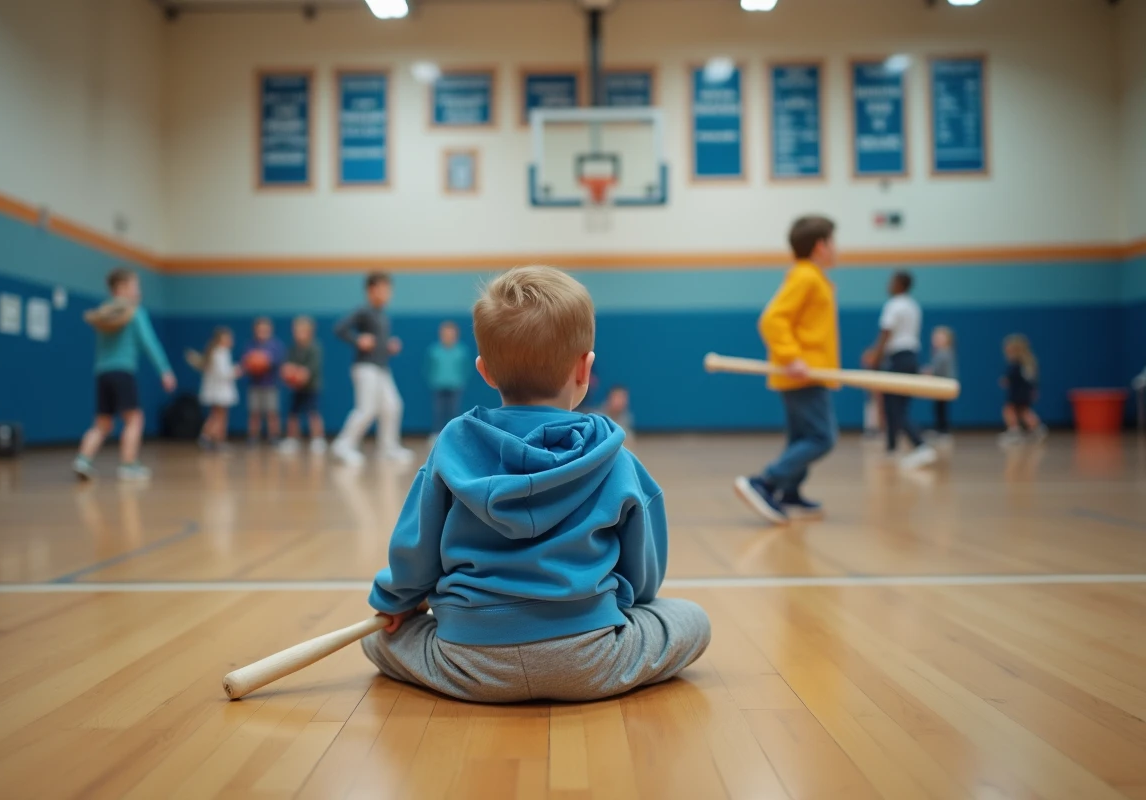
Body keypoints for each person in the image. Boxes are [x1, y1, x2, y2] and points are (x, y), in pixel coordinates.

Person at [360, 265, 711, 703]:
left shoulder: (451, 447)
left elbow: (415, 549)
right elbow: (643, 579)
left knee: (377, 639)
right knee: (693, 619)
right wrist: (625, 602)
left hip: (469, 658)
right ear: (585, 370)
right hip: (591, 657)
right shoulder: (617, 458)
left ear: (485, 371)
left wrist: (397, 598)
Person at [734, 216, 840, 524]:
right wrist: (792, 357)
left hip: (807, 374)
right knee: (822, 437)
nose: (836, 249)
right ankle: (765, 482)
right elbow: (773, 319)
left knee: (801, 438)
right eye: (833, 242)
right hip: (804, 374)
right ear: (821, 246)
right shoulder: (806, 277)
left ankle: (789, 491)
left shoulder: (812, 277)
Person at [73, 268, 175, 481]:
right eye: (135, 286)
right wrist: (164, 370)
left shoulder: (105, 311)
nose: (138, 291)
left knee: (102, 424)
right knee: (134, 419)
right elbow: (149, 343)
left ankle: (83, 459)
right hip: (123, 371)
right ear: (122, 288)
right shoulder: (134, 312)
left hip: (102, 373)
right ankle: (128, 464)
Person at [332, 273, 414, 466]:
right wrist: (357, 339)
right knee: (366, 409)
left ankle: (388, 447)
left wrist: (388, 345)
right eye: (382, 289)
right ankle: (343, 445)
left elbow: (377, 342)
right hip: (365, 367)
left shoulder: (382, 315)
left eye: (388, 289)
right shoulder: (364, 311)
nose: (386, 293)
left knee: (393, 406)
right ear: (371, 290)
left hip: (381, 367)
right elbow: (340, 328)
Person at [864, 271, 937, 469]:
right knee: (894, 405)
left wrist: (875, 358)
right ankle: (891, 448)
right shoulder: (913, 306)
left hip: (899, 359)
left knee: (895, 408)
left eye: (891, 281)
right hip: (911, 358)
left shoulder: (894, 305)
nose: (888, 285)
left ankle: (920, 446)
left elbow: (886, 333)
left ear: (899, 284)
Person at [278, 316, 327, 454]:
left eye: (301, 331)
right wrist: (288, 372)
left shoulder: (315, 348)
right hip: (297, 388)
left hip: (312, 387)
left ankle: (318, 439)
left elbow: (308, 371)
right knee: (293, 413)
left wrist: (299, 373)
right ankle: (292, 439)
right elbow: (285, 367)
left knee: (314, 413)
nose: (297, 334)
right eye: (295, 330)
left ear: (309, 332)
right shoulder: (293, 348)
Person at [999, 334, 1047, 444]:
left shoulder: (1015, 364)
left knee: (1008, 410)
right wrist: (1033, 391)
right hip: (1025, 393)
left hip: (1016, 393)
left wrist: (1005, 380)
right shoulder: (1028, 363)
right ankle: (1038, 429)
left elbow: (1010, 378)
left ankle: (1014, 431)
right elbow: (1033, 381)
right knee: (1024, 411)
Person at [424, 321, 469, 438]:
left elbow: (466, 368)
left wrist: (461, 381)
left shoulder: (461, 351)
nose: (448, 336)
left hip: (455, 386)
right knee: (438, 412)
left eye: (451, 333)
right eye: (445, 333)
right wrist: (433, 380)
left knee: (454, 411)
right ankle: (436, 435)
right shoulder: (434, 350)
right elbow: (428, 367)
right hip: (438, 386)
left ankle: (455, 435)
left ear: (456, 335)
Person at [244, 317, 285, 445]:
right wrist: (253, 362)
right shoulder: (250, 345)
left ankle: (274, 436)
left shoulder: (276, 345)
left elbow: (277, 361)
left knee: (272, 412)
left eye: (265, 330)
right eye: (259, 330)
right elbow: (246, 362)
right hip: (255, 385)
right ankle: (253, 437)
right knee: (254, 412)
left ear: (270, 330)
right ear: (255, 331)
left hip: (271, 385)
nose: (262, 332)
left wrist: (264, 360)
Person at [198, 327, 239, 450]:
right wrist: (236, 371)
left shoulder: (215, 352)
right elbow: (224, 373)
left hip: (216, 390)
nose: (230, 340)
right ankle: (216, 439)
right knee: (220, 416)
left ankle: (211, 438)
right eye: (227, 338)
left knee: (215, 415)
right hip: (220, 391)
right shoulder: (221, 353)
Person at [925, 326, 957, 440]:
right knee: (939, 408)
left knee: (941, 409)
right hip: (941, 385)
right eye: (935, 338)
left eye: (940, 338)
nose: (936, 341)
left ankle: (943, 430)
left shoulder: (943, 353)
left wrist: (929, 372)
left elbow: (937, 370)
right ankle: (940, 429)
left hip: (943, 385)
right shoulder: (940, 353)